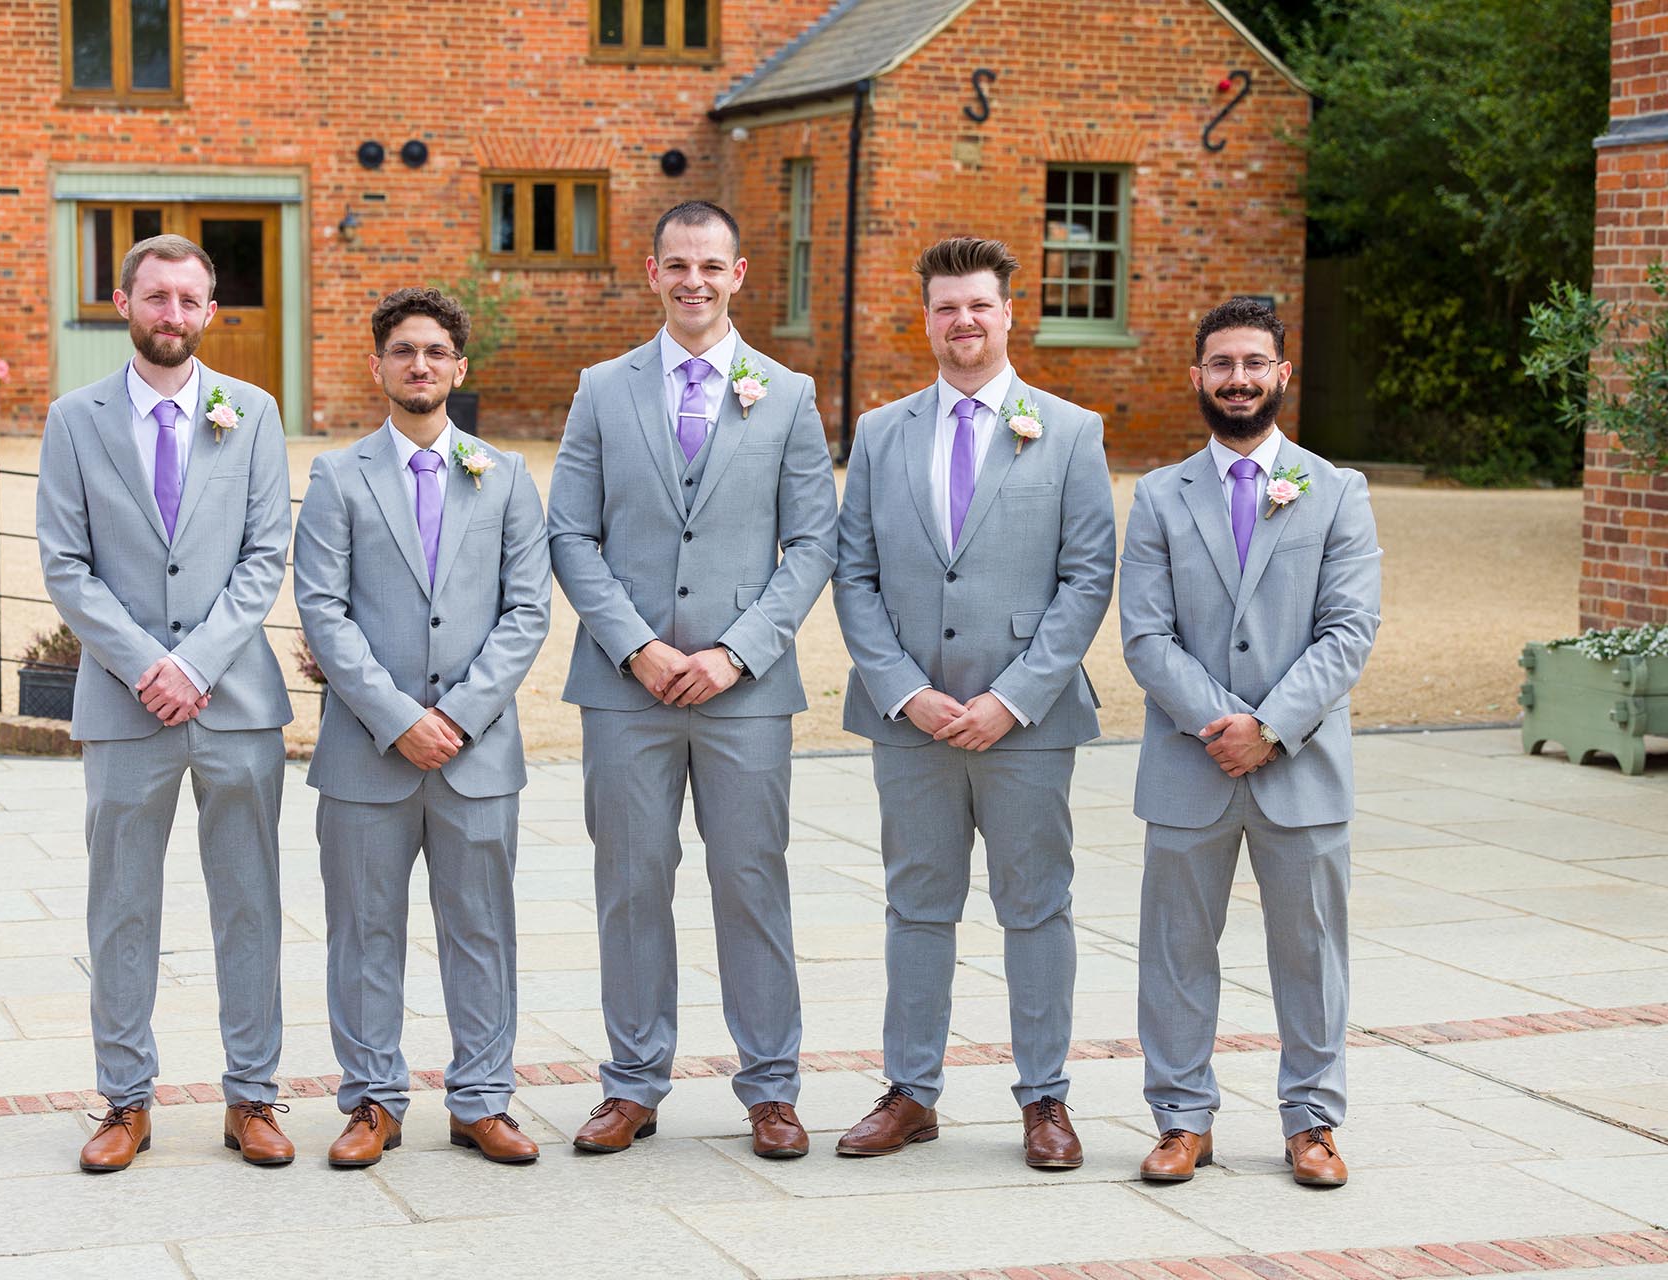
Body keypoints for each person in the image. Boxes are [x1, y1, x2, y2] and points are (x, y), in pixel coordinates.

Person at [546, 200, 838, 1160]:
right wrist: (637, 646)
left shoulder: (787, 394)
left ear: (740, 272)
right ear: (651, 269)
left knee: (751, 881)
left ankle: (771, 1088)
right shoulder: (601, 387)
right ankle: (632, 1084)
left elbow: (813, 544)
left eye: (711, 266)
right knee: (632, 884)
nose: (694, 282)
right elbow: (571, 534)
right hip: (626, 689)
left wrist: (735, 652)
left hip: (744, 694)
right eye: (678, 265)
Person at [829, 236, 1115, 1167]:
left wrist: (1015, 696)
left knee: (1036, 907)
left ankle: (1045, 1099)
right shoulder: (880, 433)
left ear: (1007, 315)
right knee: (917, 906)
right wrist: (903, 691)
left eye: (979, 306)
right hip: (909, 724)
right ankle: (911, 1091)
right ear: (926, 319)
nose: (963, 322)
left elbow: (1087, 579)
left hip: (1024, 724)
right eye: (946, 307)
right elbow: (855, 575)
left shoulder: (1069, 431)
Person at [37, 234, 294, 1173]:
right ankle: (125, 1100)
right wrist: (151, 664)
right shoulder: (74, 418)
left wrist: (200, 664)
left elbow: (267, 552)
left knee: (250, 904)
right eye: (157, 298)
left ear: (211, 311)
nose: (172, 315)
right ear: (123, 302)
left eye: (190, 300)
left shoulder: (253, 412)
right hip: (124, 703)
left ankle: (254, 1096)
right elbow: (66, 563)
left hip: (236, 707)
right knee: (121, 907)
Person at [1120, 296, 1381, 1188]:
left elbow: (1349, 631)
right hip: (1188, 764)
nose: (1238, 380)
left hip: (1300, 766)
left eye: (1254, 364)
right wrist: (1218, 725)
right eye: (1222, 365)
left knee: (1311, 952)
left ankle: (1313, 1122)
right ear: (1197, 377)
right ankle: (1181, 1119)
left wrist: (1268, 729)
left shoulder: (1337, 491)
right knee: (1176, 950)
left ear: (1281, 374)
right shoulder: (1158, 496)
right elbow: (1145, 637)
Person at [293, 287, 551, 1168]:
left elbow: (527, 612)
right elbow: (322, 609)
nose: (419, 365)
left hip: (478, 755)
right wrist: (401, 720)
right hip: (367, 753)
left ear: (459, 367)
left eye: (435, 352)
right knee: (363, 932)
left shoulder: (508, 475)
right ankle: (372, 1100)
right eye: (403, 351)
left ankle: (482, 1099)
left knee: (482, 931)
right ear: (377, 366)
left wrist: (459, 717)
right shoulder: (336, 477)